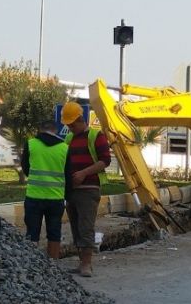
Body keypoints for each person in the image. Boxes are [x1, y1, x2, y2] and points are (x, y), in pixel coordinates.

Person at [61, 102, 111, 277]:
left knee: (85, 227)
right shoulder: (69, 139)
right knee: (75, 227)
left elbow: (105, 160)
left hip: (88, 189)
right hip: (72, 190)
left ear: (79, 120)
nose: (70, 127)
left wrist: (83, 173)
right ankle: (81, 261)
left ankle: (87, 264)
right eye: (68, 125)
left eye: (71, 124)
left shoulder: (96, 136)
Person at [20, 120, 68, 259]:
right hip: (56, 198)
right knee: (54, 232)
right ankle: (53, 264)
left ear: (40, 130)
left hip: (34, 196)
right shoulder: (64, 148)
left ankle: (33, 264)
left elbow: (26, 167)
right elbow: (68, 172)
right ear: (56, 131)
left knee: (32, 232)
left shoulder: (31, 144)